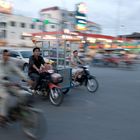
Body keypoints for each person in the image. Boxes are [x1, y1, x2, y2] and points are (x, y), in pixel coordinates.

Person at [0, 49, 32, 125]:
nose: (7, 57)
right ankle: (2, 116)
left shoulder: (11, 63)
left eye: (8, 55)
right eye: (5, 55)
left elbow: (19, 72)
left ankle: (17, 111)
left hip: (10, 84)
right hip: (1, 85)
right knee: (6, 97)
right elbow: (1, 76)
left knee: (21, 94)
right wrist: (7, 82)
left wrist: (27, 79)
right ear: (2, 55)